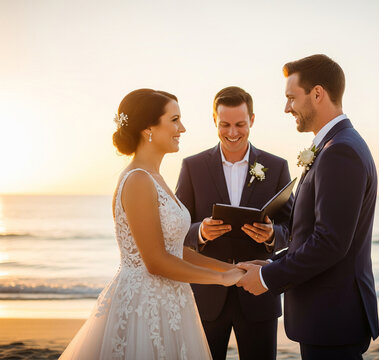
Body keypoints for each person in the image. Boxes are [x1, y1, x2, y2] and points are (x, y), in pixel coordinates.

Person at [60, 89, 245, 360]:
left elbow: (174, 249)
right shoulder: (138, 180)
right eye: (174, 120)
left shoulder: (155, 178)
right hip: (144, 306)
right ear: (149, 128)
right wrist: (219, 279)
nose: (182, 128)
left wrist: (232, 269)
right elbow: (156, 261)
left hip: (171, 301)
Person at [237, 55, 379, 360]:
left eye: (291, 97)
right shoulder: (335, 145)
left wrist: (267, 280)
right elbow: (313, 234)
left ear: (317, 94)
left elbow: (330, 242)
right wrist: (273, 263)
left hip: (332, 317)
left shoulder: (340, 151)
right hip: (329, 317)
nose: (286, 108)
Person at [175, 86, 293, 360]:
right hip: (206, 294)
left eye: (240, 124)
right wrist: (200, 232)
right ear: (214, 120)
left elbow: (294, 228)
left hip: (259, 293)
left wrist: (272, 235)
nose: (232, 133)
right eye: (224, 124)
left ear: (252, 119)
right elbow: (176, 228)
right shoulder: (192, 167)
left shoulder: (276, 167)